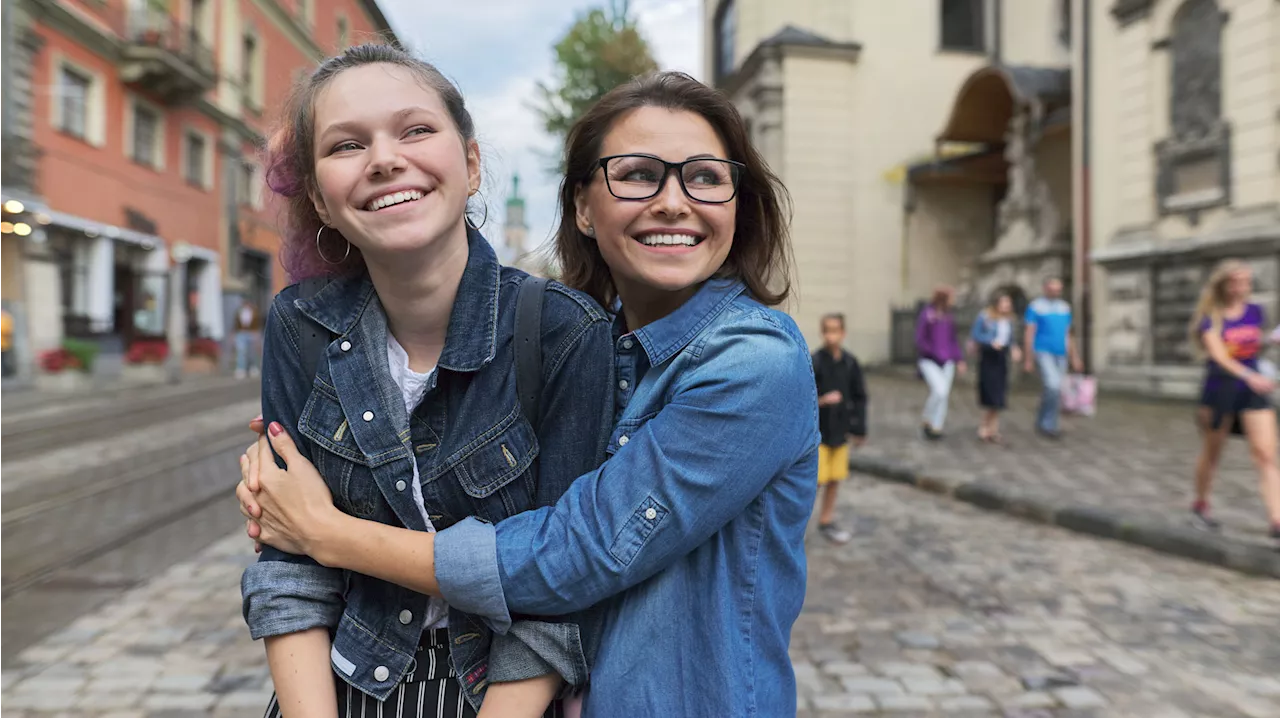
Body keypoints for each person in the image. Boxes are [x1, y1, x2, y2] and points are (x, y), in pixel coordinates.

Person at [239, 71, 818, 717]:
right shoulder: (594, 337)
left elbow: (571, 557)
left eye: (705, 176)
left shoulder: (751, 363)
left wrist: (327, 532)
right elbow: (285, 569)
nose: (673, 201)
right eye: (637, 174)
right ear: (582, 209)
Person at [237, 44, 615, 718]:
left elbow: (562, 593)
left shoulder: (564, 332)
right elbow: (289, 567)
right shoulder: (300, 325)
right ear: (322, 201)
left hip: (500, 694)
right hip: (338, 685)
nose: (384, 158)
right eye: (347, 145)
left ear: (470, 166)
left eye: (415, 130)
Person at [1187, 260, 1280, 545]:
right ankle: (1201, 504)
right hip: (1221, 390)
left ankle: (1277, 521)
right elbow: (1220, 356)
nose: (1242, 287)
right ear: (1223, 285)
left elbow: (1251, 344)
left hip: (1253, 392)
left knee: (1265, 455)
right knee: (1212, 454)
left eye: (1246, 282)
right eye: (1236, 281)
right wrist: (1249, 376)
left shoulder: (1256, 312)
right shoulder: (1210, 317)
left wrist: (1270, 342)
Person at [812, 312, 867, 544]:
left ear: (843, 333)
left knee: (835, 478)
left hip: (840, 431)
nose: (831, 336)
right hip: (819, 433)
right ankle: (796, 527)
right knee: (815, 481)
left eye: (835, 330)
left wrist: (859, 428)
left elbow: (860, 396)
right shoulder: (815, 361)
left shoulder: (850, 362)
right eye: (827, 330)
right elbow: (802, 397)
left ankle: (826, 519)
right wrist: (822, 400)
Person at [1022, 277, 1082, 438]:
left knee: (1054, 389)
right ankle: (1049, 425)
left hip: (1060, 352)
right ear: (1045, 288)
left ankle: (1043, 419)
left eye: (1058, 289)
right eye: (1052, 289)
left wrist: (1074, 357)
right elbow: (1029, 333)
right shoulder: (1036, 307)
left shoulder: (1064, 308)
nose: (1055, 292)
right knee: (1052, 385)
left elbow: (1068, 334)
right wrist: (1028, 358)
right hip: (1043, 350)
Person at [970, 292, 1022, 444]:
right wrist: (990, 341)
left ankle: (993, 428)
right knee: (990, 392)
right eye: (1004, 302)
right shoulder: (985, 317)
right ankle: (984, 426)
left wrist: (1014, 349)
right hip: (989, 356)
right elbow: (976, 335)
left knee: (999, 393)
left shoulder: (1009, 320)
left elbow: (1011, 339)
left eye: (1008, 303)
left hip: (1001, 357)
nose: (1007, 306)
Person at [915, 285, 965, 440]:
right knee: (939, 390)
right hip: (930, 360)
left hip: (948, 361)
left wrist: (959, 359)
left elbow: (953, 340)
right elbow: (920, 338)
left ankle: (937, 426)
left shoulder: (949, 317)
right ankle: (927, 417)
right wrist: (932, 351)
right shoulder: (927, 315)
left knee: (944, 395)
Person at [233, 297, 262, 379]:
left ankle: (253, 368)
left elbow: (259, 322)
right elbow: (235, 323)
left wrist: (257, 333)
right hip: (241, 333)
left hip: (252, 332)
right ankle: (241, 369)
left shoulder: (255, 311)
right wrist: (234, 333)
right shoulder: (239, 312)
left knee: (253, 352)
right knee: (241, 352)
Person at [0, 305, 13, 378]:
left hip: (3, 343)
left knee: (3, 360)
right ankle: (4, 373)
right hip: (4, 343)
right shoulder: (5, 318)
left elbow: (5, 330)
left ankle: (4, 374)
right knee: (3, 359)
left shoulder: (4, 318)